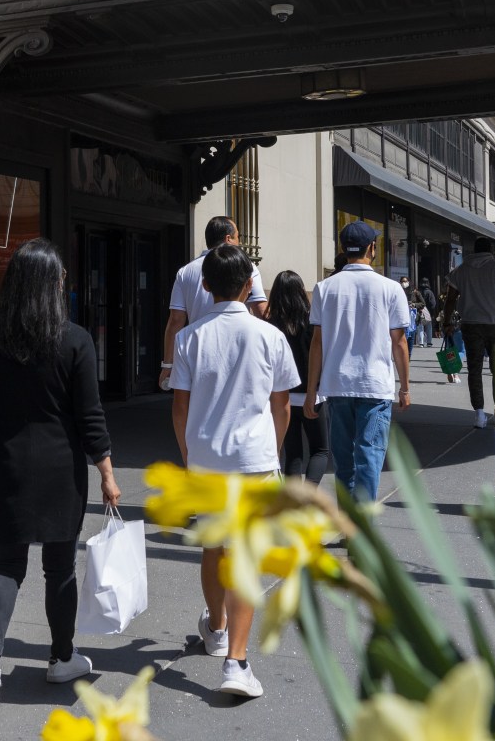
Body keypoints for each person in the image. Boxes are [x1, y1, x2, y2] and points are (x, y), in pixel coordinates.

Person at [0, 239, 120, 713]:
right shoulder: (75, 339)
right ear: (52, 285)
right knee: (59, 568)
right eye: (62, 276)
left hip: (6, 465)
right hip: (60, 469)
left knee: (7, 566)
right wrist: (106, 471)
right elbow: (90, 417)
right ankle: (61, 657)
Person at [170, 244, 299, 699]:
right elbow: (282, 405)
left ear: (204, 285)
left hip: (205, 461)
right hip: (255, 460)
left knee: (213, 550)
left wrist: (189, 456)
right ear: (249, 286)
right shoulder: (270, 336)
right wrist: (274, 449)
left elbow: (179, 409)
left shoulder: (189, 338)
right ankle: (236, 663)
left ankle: (217, 628)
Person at [304, 223, 410, 503]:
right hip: (374, 386)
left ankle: (351, 523)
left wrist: (312, 389)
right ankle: (362, 528)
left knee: (343, 461)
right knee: (370, 456)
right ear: (371, 248)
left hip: (337, 384)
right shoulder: (390, 289)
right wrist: (405, 386)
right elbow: (399, 342)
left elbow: (317, 342)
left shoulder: (324, 288)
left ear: (343, 249)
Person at [159, 216, 266, 392]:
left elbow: (176, 320)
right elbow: (261, 312)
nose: (239, 243)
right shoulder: (247, 267)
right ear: (228, 239)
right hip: (238, 351)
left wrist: (168, 365)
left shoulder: (185, 272)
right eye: (238, 237)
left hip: (197, 350)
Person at [441, 237, 495, 429]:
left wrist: (447, 321)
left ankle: (479, 414)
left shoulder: (460, 271)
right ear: (491, 250)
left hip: (471, 324)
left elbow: (450, 299)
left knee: (474, 370)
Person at [267, 270, 328, 484]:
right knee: (320, 450)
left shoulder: (270, 325)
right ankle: (309, 496)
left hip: (282, 398)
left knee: (292, 454)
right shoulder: (313, 324)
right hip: (313, 395)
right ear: (302, 292)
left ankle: (293, 502)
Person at [417, 278, 438, 346]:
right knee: (428, 326)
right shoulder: (430, 292)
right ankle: (429, 342)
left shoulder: (418, 292)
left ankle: (421, 342)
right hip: (428, 312)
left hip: (419, 311)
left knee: (420, 326)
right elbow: (433, 304)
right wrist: (432, 312)